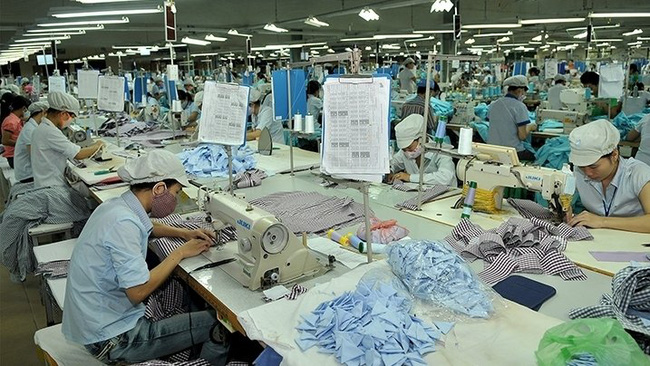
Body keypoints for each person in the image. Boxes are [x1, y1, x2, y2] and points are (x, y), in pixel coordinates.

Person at [62, 150, 229, 365]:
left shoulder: (115, 207)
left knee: (185, 298)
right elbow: (137, 292)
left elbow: (148, 226)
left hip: (94, 319)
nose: (177, 201)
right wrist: (180, 252)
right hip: (112, 339)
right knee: (219, 324)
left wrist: (184, 233)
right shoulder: (124, 224)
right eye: (176, 193)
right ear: (159, 188)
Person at [568, 120, 650, 233]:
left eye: (593, 167)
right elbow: (565, 196)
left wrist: (602, 221)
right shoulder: (579, 172)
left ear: (614, 155)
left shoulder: (639, 174)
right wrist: (564, 207)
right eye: (582, 167)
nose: (588, 173)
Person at [31, 92, 103, 188]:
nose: (71, 120)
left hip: (46, 183)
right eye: (72, 117)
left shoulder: (43, 128)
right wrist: (98, 145)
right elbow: (78, 154)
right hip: (51, 187)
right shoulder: (49, 131)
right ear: (63, 114)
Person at [389, 114, 456, 186]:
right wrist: (389, 171)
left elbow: (446, 178)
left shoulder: (441, 152)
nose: (407, 152)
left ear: (421, 139)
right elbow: (394, 162)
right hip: (419, 193)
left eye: (409, 148)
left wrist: (409, 177)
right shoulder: (405, 152)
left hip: (447, 194)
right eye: (403, 149)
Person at [487, 75, 537, 161]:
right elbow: (522, 136)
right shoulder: (519, 106)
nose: (524, 95)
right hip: (512, 153)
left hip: (493, 150)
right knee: (538, 154)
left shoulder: (493, 105)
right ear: (519, 90)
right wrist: (531, 127)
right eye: (524, 92)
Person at [13, 101, 48, 183]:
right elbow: (34, 155)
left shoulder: (32, 126)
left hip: (29, 172)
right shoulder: (30, 130)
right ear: (43, 112)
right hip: (28, 175)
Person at [1, 95, 31, 168]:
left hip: (17, 155)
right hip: (14, 157)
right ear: (24, 108)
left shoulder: (16, 120)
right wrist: (22, 144)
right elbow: (5, 141)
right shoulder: (11, 122)